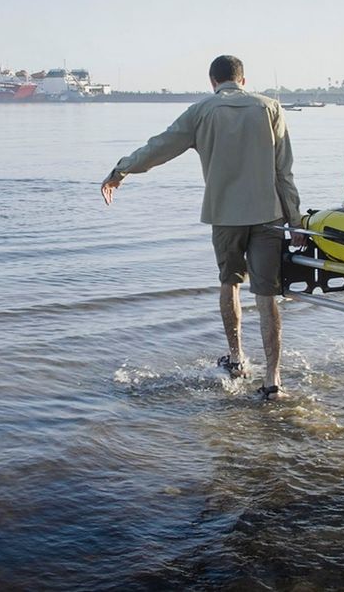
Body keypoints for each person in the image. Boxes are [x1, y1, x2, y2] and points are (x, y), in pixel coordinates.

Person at [100, 55, 303, 401]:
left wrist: (122, 170)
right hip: (269, 215)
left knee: (230, 285)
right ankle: (273, 380)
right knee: (267, 298)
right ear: (243, 79)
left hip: (225, 216)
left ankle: (237, 359)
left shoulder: (202, 111)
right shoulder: (270, 108)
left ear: (213, 81)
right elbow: (284, 172)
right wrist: (295, 220)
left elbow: (159, 147)